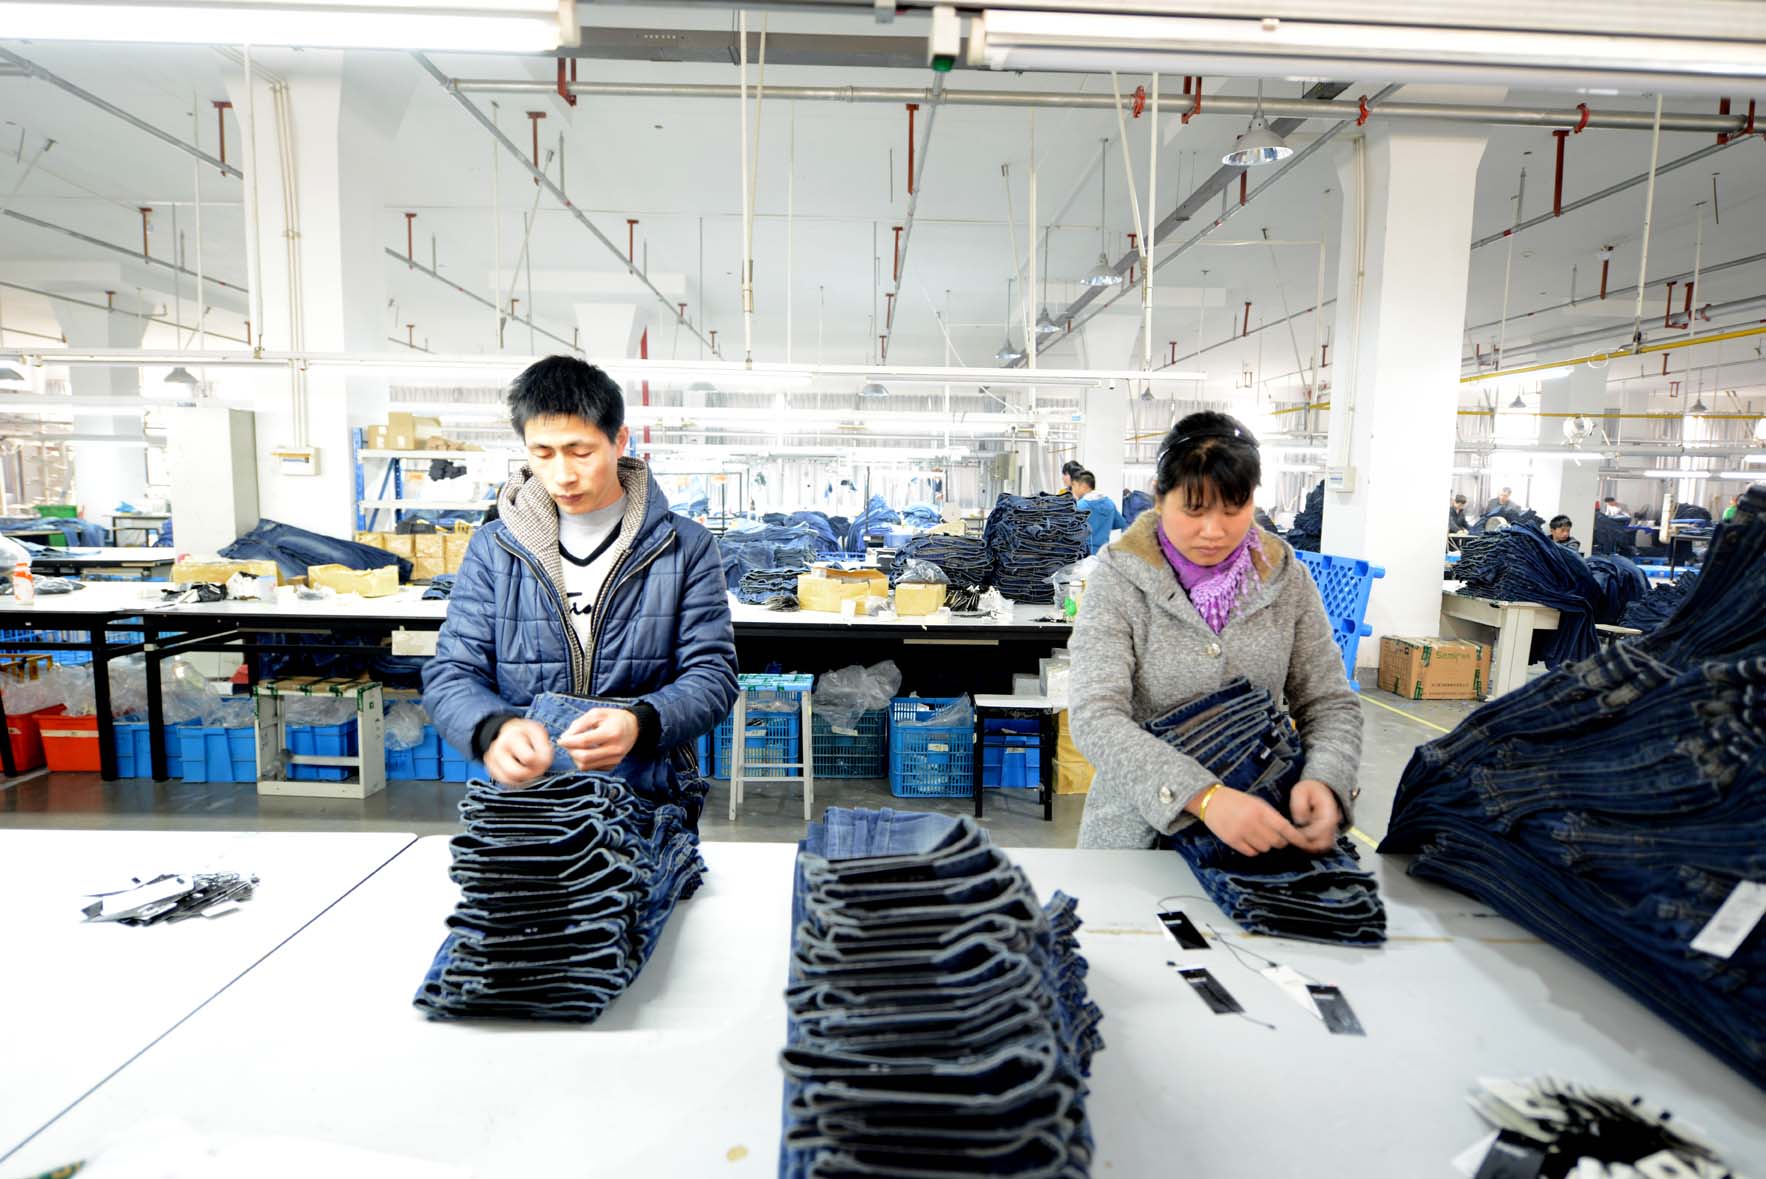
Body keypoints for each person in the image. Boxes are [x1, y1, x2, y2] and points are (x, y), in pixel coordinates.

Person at [423, 356, 739, 806]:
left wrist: (640, 722)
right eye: (542, 454)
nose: (563, 475)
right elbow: (453, 672)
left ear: (619, 441)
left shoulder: (685, 546)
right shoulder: (494, 548)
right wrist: (494, 729)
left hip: (645, 791)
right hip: (530, 794)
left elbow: (713, 674)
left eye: (581, 452)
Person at [1067, 411, 1362, 852]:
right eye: (1194, 509)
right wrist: (1201, 797)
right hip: (1140, 837)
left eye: (1232, 509)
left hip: (1265, 833)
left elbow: (1328, 701)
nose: (1214, 531)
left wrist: (1326, 777)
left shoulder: (1286, 580)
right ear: (1159, 497)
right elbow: (1095, 715)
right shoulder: (1120, 578)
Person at [1071, 469, 1127, 555]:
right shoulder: (1109, 503)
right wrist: (1104, 525)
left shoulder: (1080, 506)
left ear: (1083, 486)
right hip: (1104, 554)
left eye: (1074, 485)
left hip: (1085, 555)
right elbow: (1120, 523)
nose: (1073, 490)